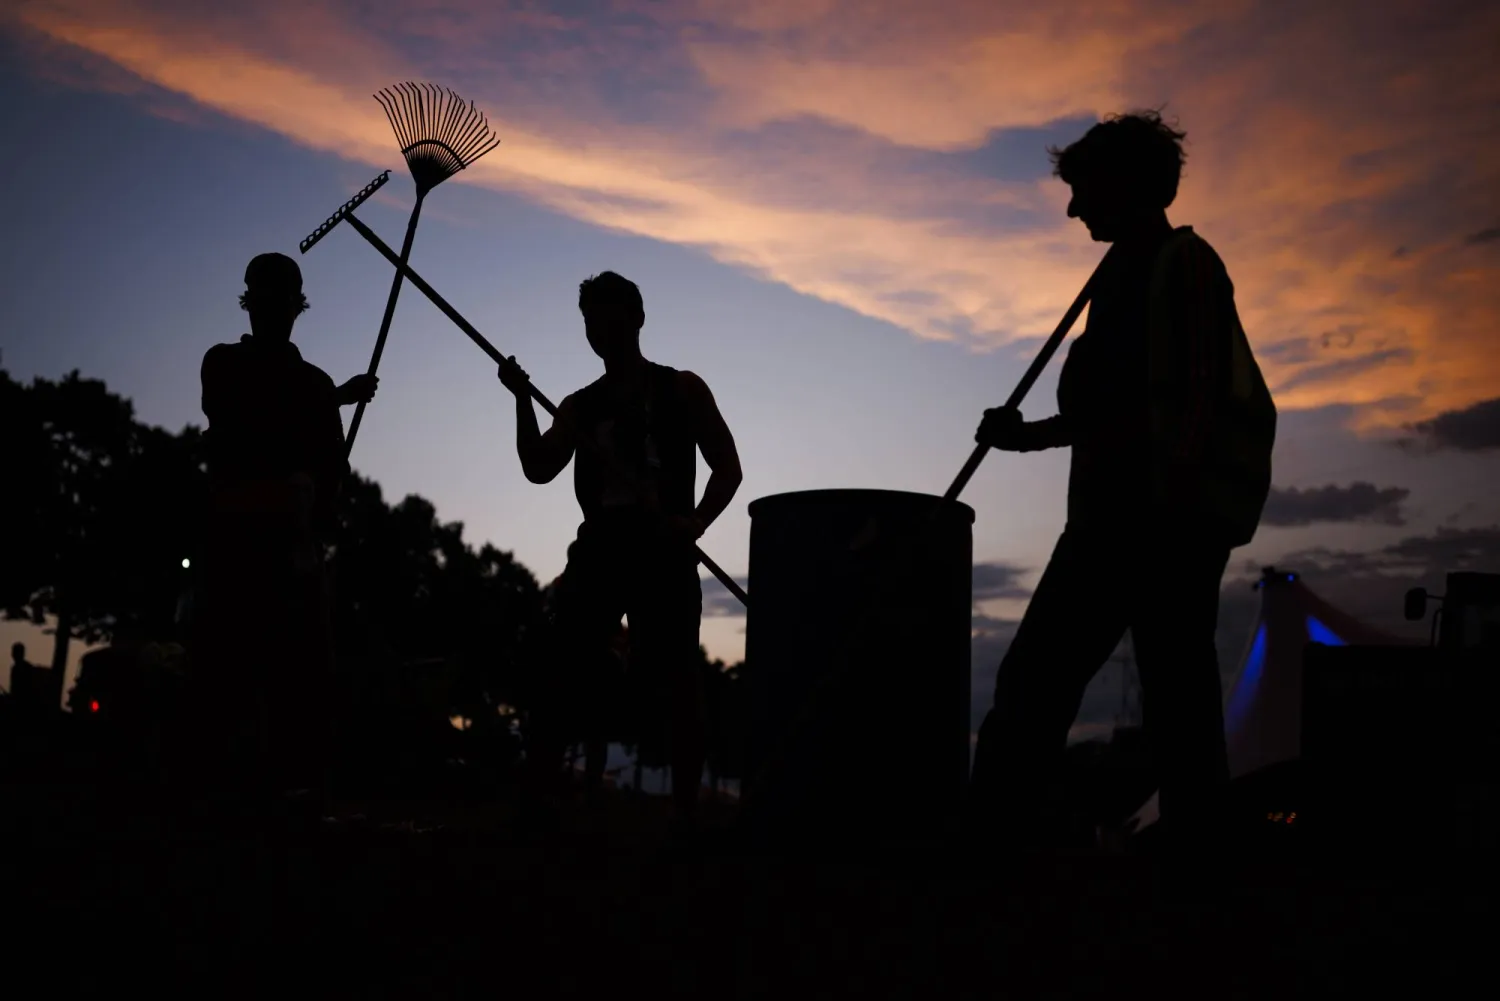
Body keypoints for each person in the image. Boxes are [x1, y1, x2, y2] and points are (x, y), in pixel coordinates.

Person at [966, 111, 1277, 857]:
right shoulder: (1115, 282)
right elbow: (1114, 415)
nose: (1073, 209)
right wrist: (1027, 435)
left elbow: (1197, 398)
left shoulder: (1187, 263)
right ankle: (1001, 844)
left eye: (1081, 190)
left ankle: (1189, 864)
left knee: (1164, 700)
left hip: (1162, 523)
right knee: (1046, 685)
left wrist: (1169, 509)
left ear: (1126, 183)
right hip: (1109, 520)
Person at [497, 271, 743, 836]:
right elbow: (538, 467)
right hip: (602, 550)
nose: (597, 329)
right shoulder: (580, 407)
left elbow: (727, 469)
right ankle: (537, 800)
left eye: (608, 316)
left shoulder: (683, 389)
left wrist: (695, 523)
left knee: (679, 681)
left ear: (635, 318)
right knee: (562, 669)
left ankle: (684, 813)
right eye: (589, 320)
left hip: (664, 550)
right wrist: (519, 400)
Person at [187, 252, 377, 821]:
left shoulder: (316, 385)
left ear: (296, 306)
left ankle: (289, 792)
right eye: (264, 296)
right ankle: (228, 792)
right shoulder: (223, 364)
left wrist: (325, 484)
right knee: (231, 670)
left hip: (293, 545)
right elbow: (241, 418)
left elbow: (329, 475)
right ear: (251, 302)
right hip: (235, 537)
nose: (273, 307)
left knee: (298, 673)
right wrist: (332, 401)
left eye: (280, 296)